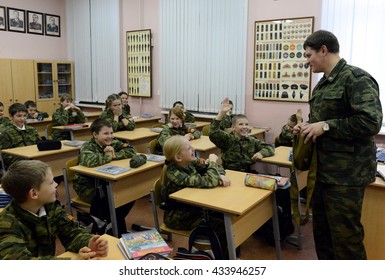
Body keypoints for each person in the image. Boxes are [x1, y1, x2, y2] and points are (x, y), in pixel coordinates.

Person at [295, 30, 382, 260]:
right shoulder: (322, 85)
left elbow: (371, 121)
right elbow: (321, 122)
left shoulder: (356, 79)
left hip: (346, 177)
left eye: (309, 54)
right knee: (322, 238)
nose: (307, 61)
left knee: (346, 241)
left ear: (323, 50)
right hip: (322, 173)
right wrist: (308, 127)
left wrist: (325, 126)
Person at [0, 160, 108, 260]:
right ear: (33, 193)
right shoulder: (6, 226)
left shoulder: (49, 206)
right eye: (51, 182)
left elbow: (71, 232)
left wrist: (88, 242)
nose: (56, 185)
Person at [73, 118, 137, 237]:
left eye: (111, 133)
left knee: (129, 193)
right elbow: (89, 161)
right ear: (95, 135)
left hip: (105, 184)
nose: (110, 136)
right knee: (112, 199)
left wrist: (114, 156)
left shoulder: (112, 142)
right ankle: (112, 228)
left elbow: (131, 150)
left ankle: (112, 224)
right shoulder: (88, 146)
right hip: (87, 187)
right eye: (106, 133)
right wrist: (107, 156)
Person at [209, 97, 275, 172]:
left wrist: (261, 153)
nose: (244, 127)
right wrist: (221, 113)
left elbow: (270, 148)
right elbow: (213, 132)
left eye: (246, 124)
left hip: (247, 172)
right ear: (233, 127)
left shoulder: (251, 141)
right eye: (240, 124)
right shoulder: (228, 139)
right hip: (230, 172)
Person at [0, 103, 41, 169]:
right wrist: (27, 163)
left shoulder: (31, 129)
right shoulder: (5, 132)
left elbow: (39, 145)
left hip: (33, 160)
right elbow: (6, 155)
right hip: (17, 164)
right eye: (19, 116)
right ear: (11, 116)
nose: (22, 118)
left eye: (25, 116)